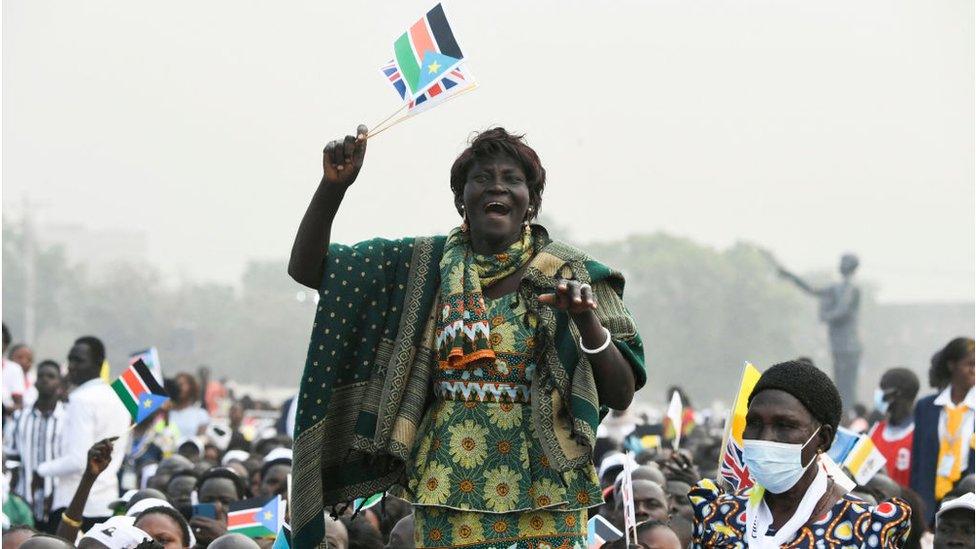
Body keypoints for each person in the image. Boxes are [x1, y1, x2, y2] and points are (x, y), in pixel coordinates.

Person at [288, 126, 646, 548]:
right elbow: (309, 269)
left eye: (513, 179)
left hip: (547, 490)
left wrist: (588, 323)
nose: (498, 186)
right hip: (448, 485)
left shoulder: (573, 274)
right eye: (482, 178)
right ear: (462, 197)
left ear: (531, 200)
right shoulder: (423, 265)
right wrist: (333, 188)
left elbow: (621, 394)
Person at [690, 360, 912, 547]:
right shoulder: (718, 514)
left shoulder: (861, 528)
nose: (765, 437)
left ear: (823, 439)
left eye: (784, 425)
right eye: (755, 422)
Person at [36, 337, 129, 529]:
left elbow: (78, 460)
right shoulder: (120, 398)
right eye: (70, 359)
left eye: (79, 360)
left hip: (75, 503)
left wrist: (41, 470)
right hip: (105, 503)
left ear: (98, 364)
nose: (71, 366)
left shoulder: (80, 399)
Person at [777, 255, 863, 409]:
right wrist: (791, 276)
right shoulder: (836, 288)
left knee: (847, 386)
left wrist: (825, 315)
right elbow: (812, 289)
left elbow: (842, 311)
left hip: (850, 345)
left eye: (844, 262)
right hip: (838, 344)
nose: (840, 265)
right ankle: (842, 413)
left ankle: (848, 415)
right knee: (840, 385)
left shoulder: (852, 289)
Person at [910, 337, 975, 525]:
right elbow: (918, 462)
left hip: (970, 496)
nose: (974, 370)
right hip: (929, 501)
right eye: (969, 364)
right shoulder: (926, 407)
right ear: (951, 365)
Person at [4, 361, 66, 532]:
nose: (45, 380)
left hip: (58, 501)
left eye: (51, 376)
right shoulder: (19, 417)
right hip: (25, 499)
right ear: (35, 382)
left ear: (59, 383)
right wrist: (15, 492)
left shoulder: (68, 419)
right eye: (41, 376)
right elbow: (12, 457)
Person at [868, 367, 919, 488]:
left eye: (883, 389)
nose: (878, 394)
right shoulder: (875, 431)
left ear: (896, 394)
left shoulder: (919, 436)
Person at [189, 467, 248, 547]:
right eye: (208, 501)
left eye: (226, 501)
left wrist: (225, 539)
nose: (217, 507)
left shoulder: (258, 540)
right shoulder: (184, 540)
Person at [167, 374, 209, 439]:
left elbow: (201, 439)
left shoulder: (201, 414)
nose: (179, 387)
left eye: (182, 384)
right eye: (177, 384)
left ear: (191, 387)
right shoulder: (166, 413)